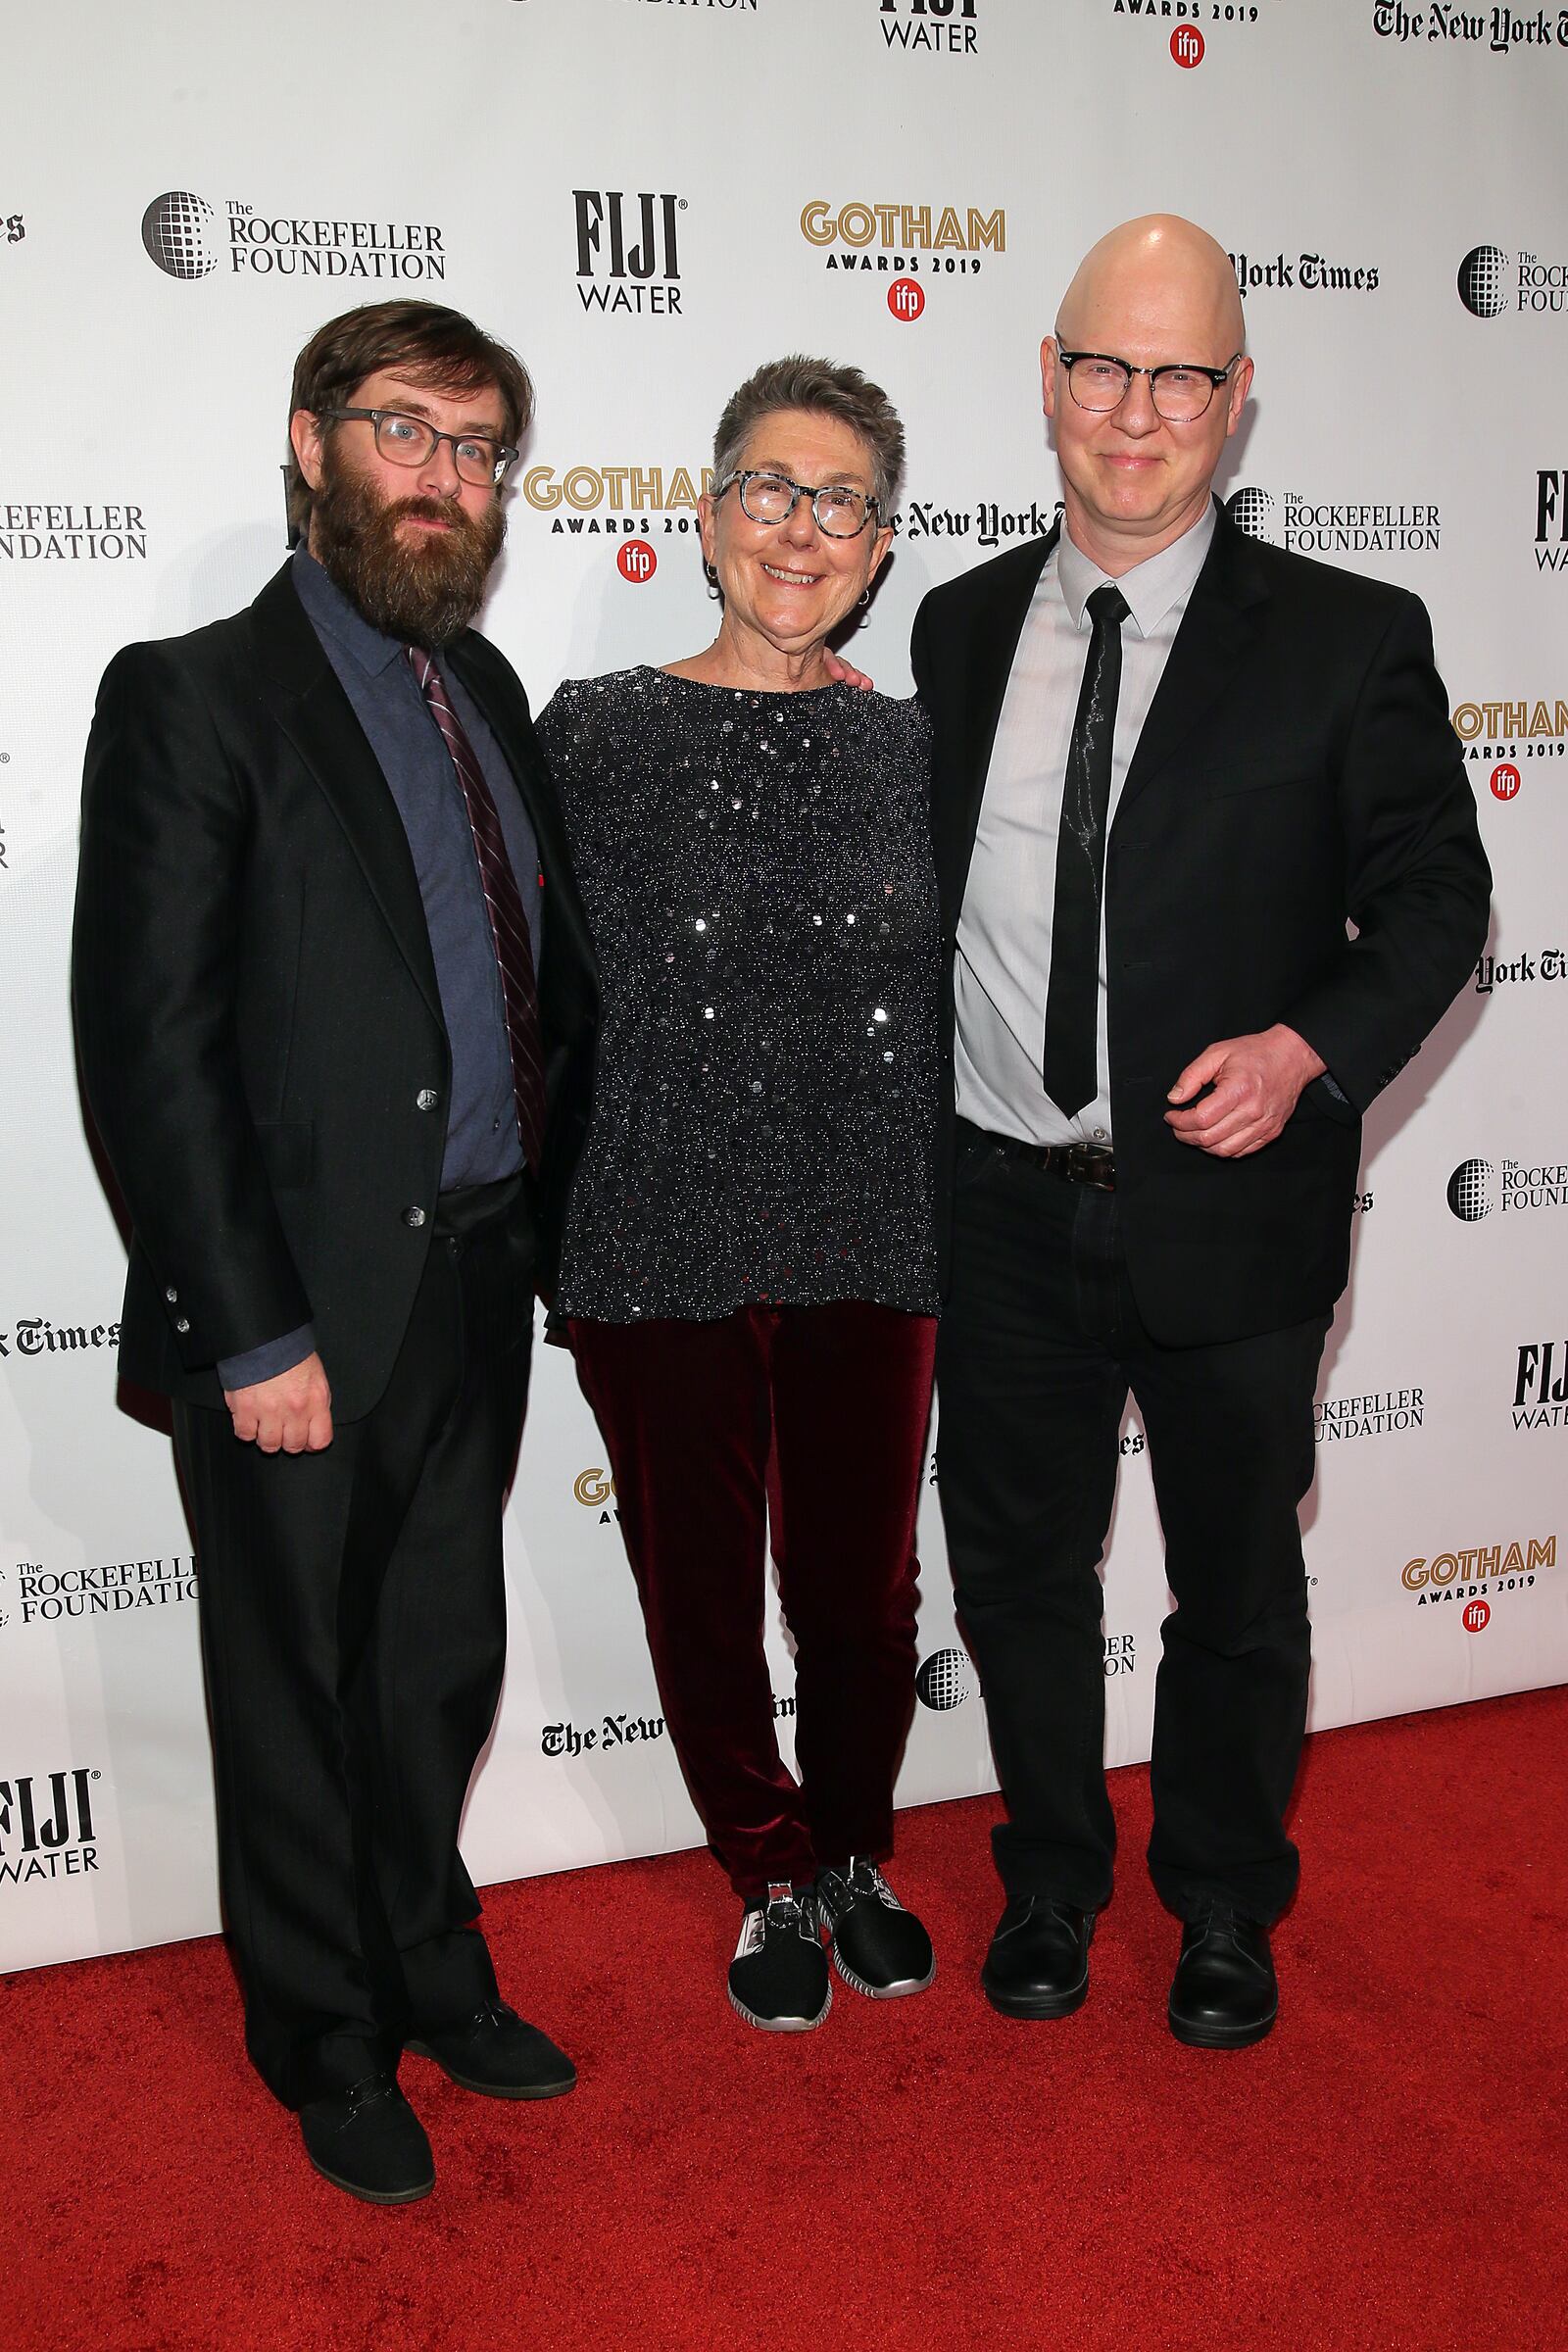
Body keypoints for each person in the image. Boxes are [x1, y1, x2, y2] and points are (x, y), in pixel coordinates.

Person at [913, 218, 1491, 2047]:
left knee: (1235, 1580)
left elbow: (1434, 902)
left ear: (1239, 400)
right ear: (1051, 380)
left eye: (1180, 375)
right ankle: (1054, 1876)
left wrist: (1309, 1049)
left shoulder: (1350, 636)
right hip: (998, 1201)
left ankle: (1226, 1899)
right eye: (1105, 368)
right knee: (1013, 1569)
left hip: (1234, 1204)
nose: (1137, 413)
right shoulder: (951, 622)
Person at [72, 300, 600, 2201]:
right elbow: (149, 1054)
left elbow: (541, 1001)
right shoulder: (191, 697)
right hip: (292, 1315)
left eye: (477, 450)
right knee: (291, 1684)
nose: (446, 481)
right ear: (310, 446)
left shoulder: (493, 701)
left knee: (433, 1662)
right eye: (407, 434)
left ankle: (430, 1969)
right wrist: (250, 1328)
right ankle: (319, 2033)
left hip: (471, 1278)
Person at [537, 357, 939, 2033]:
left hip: (873, 1221)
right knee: (699, 1589)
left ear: (880, 544)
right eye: (770, 488)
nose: (802, 524)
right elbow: (520, 985)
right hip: (655, 1228)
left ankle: (853, 1850)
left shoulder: (922, 749)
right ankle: (767, 1870)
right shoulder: (597, 733)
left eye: (840, 498)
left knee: (863, 1591)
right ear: (707, 521)